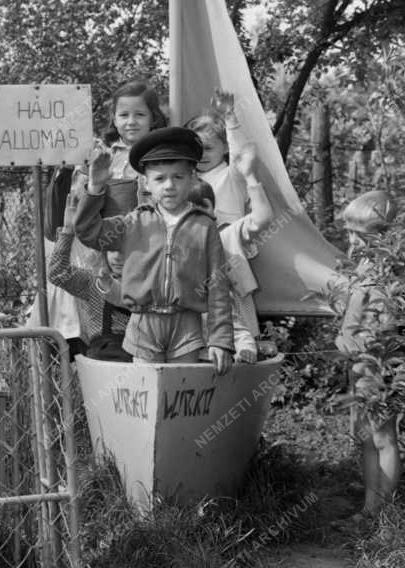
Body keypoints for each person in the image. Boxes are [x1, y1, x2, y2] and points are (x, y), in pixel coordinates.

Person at [74, 127, 233, 370]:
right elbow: (88, 232)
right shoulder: (133, 222)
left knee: (180, 392)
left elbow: (218, 284)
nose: (169, 185)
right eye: (160, 178)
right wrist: (95, 187)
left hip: (186, 327)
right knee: (148, 392)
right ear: (146, 182)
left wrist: (220, 340)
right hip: (144, 324)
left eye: (178, 177)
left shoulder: (204, 226)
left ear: (193, 178)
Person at [35, 79, 166, 355]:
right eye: (124, 115)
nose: (131, 121)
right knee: (107, 312)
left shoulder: (163, 155)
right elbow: (82, 205)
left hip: (153, 250)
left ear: (154, 118)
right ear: (114, 119)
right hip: (110, 250)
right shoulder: (105, 157)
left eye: (140, 114)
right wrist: (90, 181)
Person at [336, 190, 399, 520]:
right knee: (365, 439)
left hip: (376, 366)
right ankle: (369, 507)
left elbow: (387, 325)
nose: (352, 240)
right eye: (349, 232)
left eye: (359, 235)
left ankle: (383, 513)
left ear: (384, 236)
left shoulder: (387, 273)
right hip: (358, 368)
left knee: (382, 437)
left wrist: (358, 344)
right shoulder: (363, 267)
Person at [188, 144, 277, 362]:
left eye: (200, 211)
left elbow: (262, 219)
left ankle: (246, 352)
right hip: (194, 330)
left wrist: (250, 176)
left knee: (237, 333)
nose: (193, 221)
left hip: (234, 320)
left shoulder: (225, 235)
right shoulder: (170, 243)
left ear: (211, 210)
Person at [185, 89, 250, 226]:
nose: (201, 154)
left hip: (229, 245)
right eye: (197, 148)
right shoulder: (186, 178)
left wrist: (229, 115)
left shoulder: (233, 175)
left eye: (208, 148)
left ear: (226, 147)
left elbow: (239, 153)